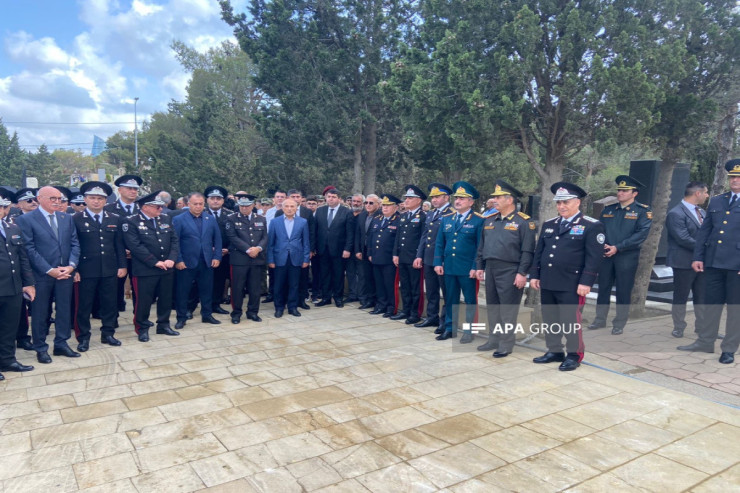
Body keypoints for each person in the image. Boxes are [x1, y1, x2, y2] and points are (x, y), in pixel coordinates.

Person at [530, 182, 605, 371]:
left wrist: (586, 282)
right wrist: (535, 275)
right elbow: (539, 252)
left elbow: (594, 258)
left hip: (572, 283)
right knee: (550, 319)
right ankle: (554, 350)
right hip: (548, 280)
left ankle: (574, 355)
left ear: (577, 202)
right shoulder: (549, 224)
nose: (561, 206)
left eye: (566, 202)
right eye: (559, 202)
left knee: (570, 321)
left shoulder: (591, 225)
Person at [681, 159, 740, 364]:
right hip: (713, 262)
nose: (735, 180)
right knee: (711, 305)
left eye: (739, 177)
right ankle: (705, 342)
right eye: (732, 177)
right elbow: (705, 232)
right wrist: (698, 257)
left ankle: (729, 348)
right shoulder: (717, 201)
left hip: (736, 265)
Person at [16, 186, 81, 364]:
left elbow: (75, 244)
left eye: (59, 198)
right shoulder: (26, 219)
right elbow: (29, 249)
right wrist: (49, 270)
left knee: (64, 310)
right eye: (53, 198)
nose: (57, 202)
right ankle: (40, 348)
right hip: (41, 275)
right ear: (40, 198)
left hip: (65, 273)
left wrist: (71, 266)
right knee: (40, 312)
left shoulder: (66, 218)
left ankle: (61, 343)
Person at [475, 180, 537, 357]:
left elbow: (527, 251)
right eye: (494, 197)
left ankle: (506, 343)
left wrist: (522, 273)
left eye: (498, 197)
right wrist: (480, 266)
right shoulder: (490, 220)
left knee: (508, 309)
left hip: (510, 270)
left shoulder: (524, 222)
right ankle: (493, 339)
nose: (494, 200)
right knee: (493, 306)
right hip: (491, 268)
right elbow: (482, 246)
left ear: (510, 200)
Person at [589, 175, 652, 335]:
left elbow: (641, 235)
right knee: (603, 288)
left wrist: (618, 247)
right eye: (619, 190)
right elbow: (599, 230)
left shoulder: (642, 211)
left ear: (634, 193)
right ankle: (600, 319)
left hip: (626, 257)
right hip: (607, 255)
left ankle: (619, 323)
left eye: (625, 191)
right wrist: (603, 244)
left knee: (623, 290)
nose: (620, 193)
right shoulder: (609, 210)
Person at [72, 181, 127, 351]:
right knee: (83, 305)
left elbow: (119, 245)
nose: (96, 201)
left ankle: (108, 333)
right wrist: (74, 269)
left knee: (110, 303)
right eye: (92, 198)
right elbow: (72, 246)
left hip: (109, 268)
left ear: (105, 200)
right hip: (85, 270)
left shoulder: (114, 218)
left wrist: (122, 265)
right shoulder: (75, 219)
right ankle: (83, 337)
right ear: (85, 199)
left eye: (100, 198)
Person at [123, 191, 180, 342]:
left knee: (166, 298)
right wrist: (154, 261)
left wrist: (171, 259)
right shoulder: (131, 221)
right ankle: (142, 328)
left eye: (161, 206)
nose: (161, 209)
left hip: (167, 267)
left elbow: (174, 240)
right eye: (157, 207)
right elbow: (135, 246)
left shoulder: (165, 218)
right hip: (145, 269)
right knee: (144, 301)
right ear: (145, 207)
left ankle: (163, 325)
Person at [434, 181, 485, 342]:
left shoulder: (478, 220)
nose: (458, 201)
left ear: (471, 202)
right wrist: (438, 262)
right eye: (456, 198)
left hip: (467, 269)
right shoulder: (447, 219)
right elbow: (440, 243)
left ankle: (470, 331)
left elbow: (480, 247)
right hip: (449, 267)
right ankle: (450, 328)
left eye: (462, 198)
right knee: (450, 299)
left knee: (470, 300)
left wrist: (475, 266)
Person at [173, 192, 223, 329]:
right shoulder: (179, 219)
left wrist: (217, 257)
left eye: (201, 204)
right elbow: (175, 242)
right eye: (195, 204)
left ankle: (207, 315)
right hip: (186, 262)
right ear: (188, 204)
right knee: (183, 292)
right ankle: (181, 317)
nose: (198, 206)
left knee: (207, 290)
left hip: (206, 261)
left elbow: (217, 239)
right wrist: (178, 260)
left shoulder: (210, 219)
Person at [0, 188, 36, 378]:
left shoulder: (12, 228)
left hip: (13, 287)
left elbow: (22, 258)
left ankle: (7, 360)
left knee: (9, 326)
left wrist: (28, 283)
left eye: (1, 207)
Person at [665, 182, 709, 338]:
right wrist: (707, 248)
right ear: (697, 193)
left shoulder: (702, 212)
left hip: (702, 261)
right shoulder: (676, 213)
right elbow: (682, 238)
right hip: (683, 262)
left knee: (702, 296)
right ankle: (679, 327)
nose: (707, 195)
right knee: (681, 296)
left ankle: (702, 327)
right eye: (705, 192)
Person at [414, 183, 454, 333]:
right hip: (429, 258)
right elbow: (425, 236)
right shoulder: (431, 213)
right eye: (433, 197)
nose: (434, 200)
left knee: (447, 292)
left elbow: (450, 240)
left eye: (437, 197)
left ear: (446, 198)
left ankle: (445, 321)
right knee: (431, 290)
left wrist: (443, 259)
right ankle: (432, 317)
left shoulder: (451, 213)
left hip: (443, 260)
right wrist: (419, 255)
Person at [226, 194, 268, 324]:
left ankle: (253, 312)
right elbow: (232, 237)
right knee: (237, 288)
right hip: (239, 259)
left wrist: (258, 248)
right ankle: (236, 313)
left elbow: (265, 237)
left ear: (253, 205)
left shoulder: (261, 219)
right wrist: (248, 249)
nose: (244, 208)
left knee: (255, 288)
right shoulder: (231, 218)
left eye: (247, 206)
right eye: (241, 206)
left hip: (257, 259)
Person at [267, 198, 310, 317]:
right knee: (279, 284)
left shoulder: (303, 222)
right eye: (287, 206)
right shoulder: (275, 222)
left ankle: (293, 307)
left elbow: (306, 242)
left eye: (292, 206)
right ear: (282, 208)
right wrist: (270, 259)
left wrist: (306, 259)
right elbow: (270, 243)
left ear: (296, 208)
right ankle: (279, 308)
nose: (289, 209)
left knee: (294, 284)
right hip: (279, 258)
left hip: (296, 258)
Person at [105, 175, 142, 313]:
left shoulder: (142, 208)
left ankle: (139, 317)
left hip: (139, 256)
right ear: (120, 190)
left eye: (135, 189)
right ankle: (112, 317)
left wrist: (135, 249)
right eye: (129, 188)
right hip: (115, 256)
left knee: (140, 289)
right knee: (114, 289)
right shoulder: (108, 209)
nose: (133, 191)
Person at [392, 185, 427, 324]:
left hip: (414, 258)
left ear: (419, 200)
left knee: (415, 287)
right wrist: (395, 254)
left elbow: (423, 238)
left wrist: (419, 256)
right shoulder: (404, 216)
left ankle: (415, 313)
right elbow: (398, 237)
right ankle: (405, 310)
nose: (406, 200)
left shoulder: (423, 216)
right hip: (402, 256)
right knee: (405, 285)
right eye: (406, 198)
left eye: (410, 198)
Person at [276, 189, 316, 309]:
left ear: (301, 198)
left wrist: (310, 250)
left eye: (298, 196)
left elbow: (311, 232)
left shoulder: (307, 212)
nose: (296, 198)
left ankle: (301, 301)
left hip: (302, 251)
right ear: (288, 198)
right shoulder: (280, 212)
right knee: (285, 279)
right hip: (284, 252)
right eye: (293, 196)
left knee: (302, 277)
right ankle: (284, 301)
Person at [315, 188, 355, 307]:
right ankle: (326, 298)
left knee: (338, 274)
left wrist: (347, 249)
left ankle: (338, 298)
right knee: (324, 274)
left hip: (339, 249)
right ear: (325, 198)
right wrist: (314, 247)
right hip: (322, 249)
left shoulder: (346, 212)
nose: (331, 199)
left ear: (339, 199)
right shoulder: (320, 210)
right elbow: (315, 230)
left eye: (333, 197)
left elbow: (350, 233)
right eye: (329, 197)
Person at [368, 195, 402, 317]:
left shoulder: (398, 220)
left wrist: (395, 255)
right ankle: (381, 305)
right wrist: (370, 253)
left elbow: (398, 241)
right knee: (379, 284)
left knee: (389, 284)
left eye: (388, 205)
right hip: (376, 257)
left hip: (389, 259)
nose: (385, 208)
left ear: (395, 207)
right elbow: (371, 237)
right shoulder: (377, 219)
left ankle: (391, 308)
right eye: (383, 205)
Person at [204, 186, 231, 314]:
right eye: (212, 198)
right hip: (204, 254)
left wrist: (228, 249)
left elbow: (235, 235)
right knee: (200, 281)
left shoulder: (230, 215)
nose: (215, 201)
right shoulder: (201, 213)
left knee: (220, 280)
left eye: (218, 199)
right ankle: (192, 307)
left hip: (224, 254)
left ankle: (216, 304)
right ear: (207, 200)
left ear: (223, 201)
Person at [355, 194, 381, 309]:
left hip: (376, 251)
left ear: (378, 204)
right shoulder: (362, 215)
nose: (368, 205)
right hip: (363, 250)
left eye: (371, 203)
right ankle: (369, 300)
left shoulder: (381, 215)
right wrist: (357, 250)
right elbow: (358, 233)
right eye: (366, 203)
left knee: (376, 277)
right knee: (366, 276)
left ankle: (378, 301)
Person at [344, 193, 366, 303]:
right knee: (350, 273)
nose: (356, 203)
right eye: (354, 201)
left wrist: (359, 250)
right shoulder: (348, 214)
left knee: (362, 274)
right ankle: (352, 295)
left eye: (358, 201)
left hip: (360, 250)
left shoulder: (366, 215)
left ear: (363, 203)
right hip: (348, 249)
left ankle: (362, 297)